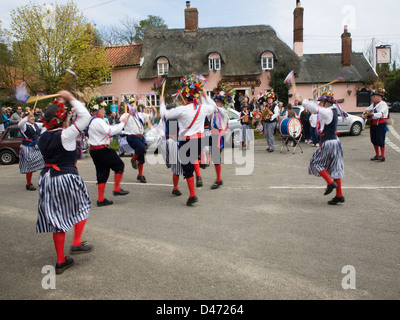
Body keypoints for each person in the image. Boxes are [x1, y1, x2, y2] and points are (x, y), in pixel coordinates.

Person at [36, 90, 92, 275]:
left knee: (56, 217)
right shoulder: (66, 135)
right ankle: (76, 242)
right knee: (83, 205)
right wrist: (70, 98)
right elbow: (85, 116)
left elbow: (51, 124)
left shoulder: (42, 135)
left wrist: (58, 104)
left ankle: (60, 260)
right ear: (62, 120)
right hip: (66, 177)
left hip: (47, 179)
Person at [160, 73, 216, 206]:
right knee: (191, 162)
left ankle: (192, 195)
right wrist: (206, 96)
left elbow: (164, 114)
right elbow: (214, 107)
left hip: (186, 142)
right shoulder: (203, 108)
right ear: (196, 96)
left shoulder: (182, 110)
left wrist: (162, 103)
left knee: (187, 168)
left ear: (185, 96)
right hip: (199, 142)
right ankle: (195, 185)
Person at [303, 91, 345, 205]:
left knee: (315, 162)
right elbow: (317, 108)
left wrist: (304, 101)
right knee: (336, 168)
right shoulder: (332, 110)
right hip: (335, 142)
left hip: (329, 143)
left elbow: (316, 108)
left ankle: (330, 182)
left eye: (322, 102)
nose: (320, 104)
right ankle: (339, 195)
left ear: (327, 103)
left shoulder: (328, 111)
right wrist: (315, 97)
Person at [87, 96, 129, 207]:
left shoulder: (93, 121)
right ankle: (116, 188)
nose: (105, 111)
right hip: (102, 150)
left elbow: (104, 132)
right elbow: (109, 131)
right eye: (103, 109)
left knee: (102, 173)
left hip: (95, 151)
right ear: (98, 110)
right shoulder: (97, 121)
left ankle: (101, 199)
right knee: (119, 165)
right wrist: (122, 124)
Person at [119, 96, 156, 183]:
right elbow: (121, 121)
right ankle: (133, 160)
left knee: (141, 156)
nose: (133, 107)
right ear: (128, 107)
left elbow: (151, 116)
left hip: (140, 137)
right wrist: (128, 115)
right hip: (131, 137)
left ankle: (140, 175)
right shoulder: (125, 115)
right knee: (141, 148)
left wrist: (154, 110)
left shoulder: (141, 115)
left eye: (134, 105)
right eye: (131, 105)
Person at [209, 86, 232, 189]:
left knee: (216, 158)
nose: (216, 103)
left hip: (219, 137)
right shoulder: (215, 112)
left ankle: (219, 180)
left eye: (217, 101)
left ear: (221, 103)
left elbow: (214, 107)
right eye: (215, 101)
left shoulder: (222, 111)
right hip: (213, 135)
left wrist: (205, 97)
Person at [18, 110, 45, 190]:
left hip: (35, 146)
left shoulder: (36, 124)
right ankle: (28, 184)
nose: (33, 118)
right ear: (26, 118)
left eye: (33, 116)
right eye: (30, 117)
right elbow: (20, 124)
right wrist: (27, 116)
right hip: (27, 147)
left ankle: (44, 180)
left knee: (44, 161)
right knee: (30, 165)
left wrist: (41, 136)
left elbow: (45, 125)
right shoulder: (25, 126)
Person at [362, 88, 389, 162]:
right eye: (372, 96)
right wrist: (364, 114)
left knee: (380, 140)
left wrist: (371, 114)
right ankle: (377, 155)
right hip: (373, 124)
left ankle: (382, 156)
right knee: (374, 139)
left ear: (379, 97)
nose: (372, 97)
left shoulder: (383, 104)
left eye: (374, 96)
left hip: (380, 124)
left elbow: (380, 114)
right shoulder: (373, 105)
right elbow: (367, 109)